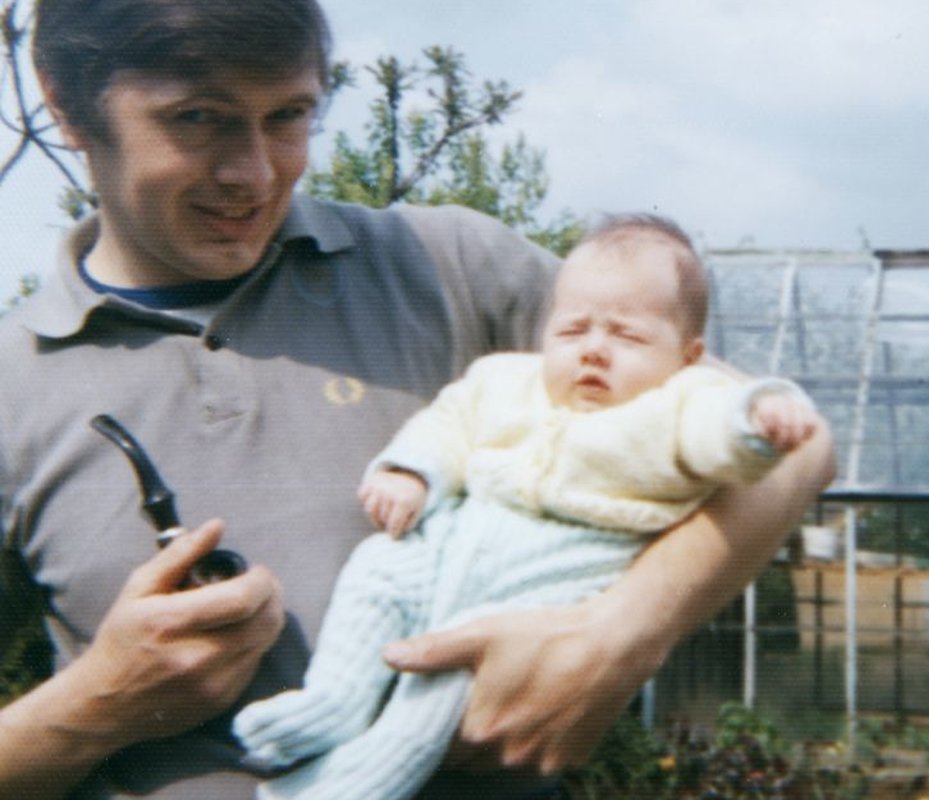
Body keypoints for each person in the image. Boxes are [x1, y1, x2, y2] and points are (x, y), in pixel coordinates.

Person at [0, 0, 834, 798]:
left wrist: (619, 638)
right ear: (68, 109)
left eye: (289, 116)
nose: (254, 174)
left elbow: (791, 446)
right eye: (197, 118)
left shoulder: (447, 268)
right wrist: (96, 706)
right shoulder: (13, 384)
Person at [231, 215, 820, 800]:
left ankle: (355, 783)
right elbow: (448, 424)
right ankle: (335, 698)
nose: (594, 350)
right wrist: (411, 472)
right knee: (377, 568)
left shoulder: (678, 402)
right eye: (573, 331)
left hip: (553, 580)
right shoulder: (505, 381)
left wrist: (756, 420)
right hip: (452, 544)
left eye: (627, 336)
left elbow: (715, 427)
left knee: (444, 692)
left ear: (688, 356)